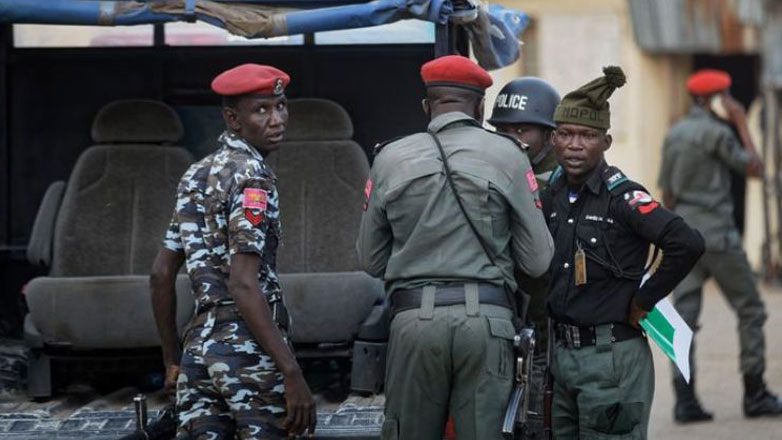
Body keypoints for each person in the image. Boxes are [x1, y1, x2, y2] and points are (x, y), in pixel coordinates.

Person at [357, 55, 554, 440]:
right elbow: (537, 261)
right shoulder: (509, 155)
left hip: (412, 324)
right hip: (487, 324)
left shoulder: (389, 158)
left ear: (426, 106)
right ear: (480, 108)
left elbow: (370, 260)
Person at [149, 63, 316, 439]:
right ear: (232, 119)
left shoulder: (195, 174)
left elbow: (160, 274)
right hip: (249, 352)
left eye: (281, 106)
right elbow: (242, 283)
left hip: (198, 351)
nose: (277, 120)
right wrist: (291, 372)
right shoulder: (253, 177)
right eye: (261, 110)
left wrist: (172, 361)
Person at [541, 66, 705, 439]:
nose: (575, 145)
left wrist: (644, 300)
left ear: (606, 142)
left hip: (611, 357)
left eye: (587, 135)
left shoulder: (623, 198)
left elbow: (687, 243)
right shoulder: (551, 194)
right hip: (562, 357)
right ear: (553, 139)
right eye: (566, 134)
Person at [658, 69, 782, 421]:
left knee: (683, 320)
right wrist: (741, 122)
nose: (730, 102)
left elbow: (668, 194)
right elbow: (754, 168)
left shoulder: (675, 133)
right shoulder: (718, 132)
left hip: (684, 237)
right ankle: (755, 394)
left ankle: (685, 402)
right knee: (751, 309)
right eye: (725, 96)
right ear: (711, 100)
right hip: (718, 236)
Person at [488, 77, 561, 439]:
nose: (511, 139)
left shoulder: (565, 178)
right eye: (502, 130)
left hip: (548, 319)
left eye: (522, 130)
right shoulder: (489, 168)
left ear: (549, 135)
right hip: (504, 315)